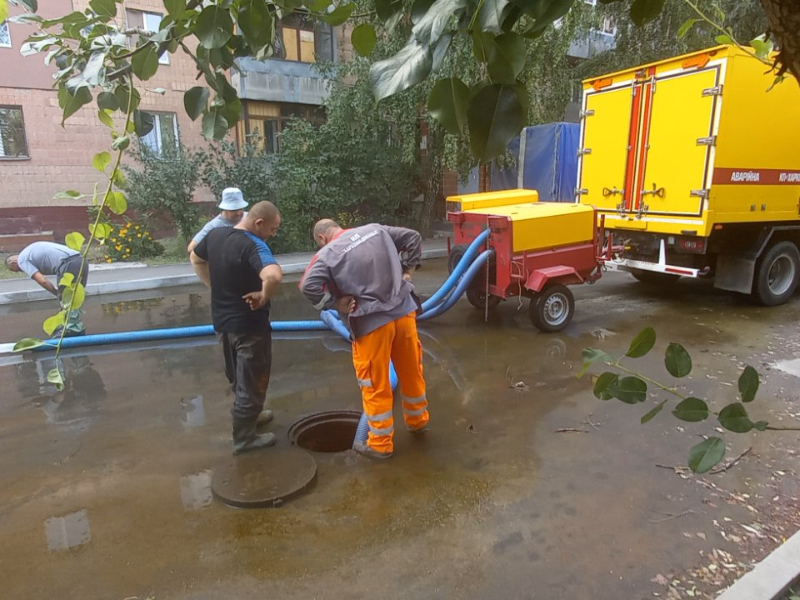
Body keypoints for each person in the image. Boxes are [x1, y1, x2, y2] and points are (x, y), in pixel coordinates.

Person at [299, 219, 429, 460]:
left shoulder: (327, 254)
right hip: (404, 313)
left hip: (371, 324)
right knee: (411, 371)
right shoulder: (377, 230)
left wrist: (335, 304)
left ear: (321, 238)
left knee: (375, 383)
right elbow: (413, 237)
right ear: (338, 227)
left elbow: (308, 285)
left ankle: (380, 445)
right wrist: (407, 271)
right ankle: (418, 421)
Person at [190, 201, 283, 455]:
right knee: (252, 382)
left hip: (222, 324)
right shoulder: (253, 244)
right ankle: (245, 439)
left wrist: (214, 288)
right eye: (272, 229)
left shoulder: (215, 235)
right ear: (259, 223)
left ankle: (251, 415)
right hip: (250, 327)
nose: (273, 234)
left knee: (237, 376)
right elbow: (273, 276)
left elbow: (196, 258)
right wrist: (264, 296)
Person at [5, 241, 88, 335]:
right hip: (81, 259)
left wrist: (56, 293)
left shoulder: (22, 260)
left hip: (68, 263)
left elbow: (42, 280)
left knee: (66, 298)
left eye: (16, 270)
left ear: (13, 262)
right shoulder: (29, 251)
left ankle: (72, 329)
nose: (20, 271)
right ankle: (73, 326)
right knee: (74, 296)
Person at [187, 187, 248, 253]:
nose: (239, 213)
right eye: (234, 210)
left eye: (241, 209)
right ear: (225, 209)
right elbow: (191, 248)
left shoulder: (249, 218)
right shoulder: (214, 226)